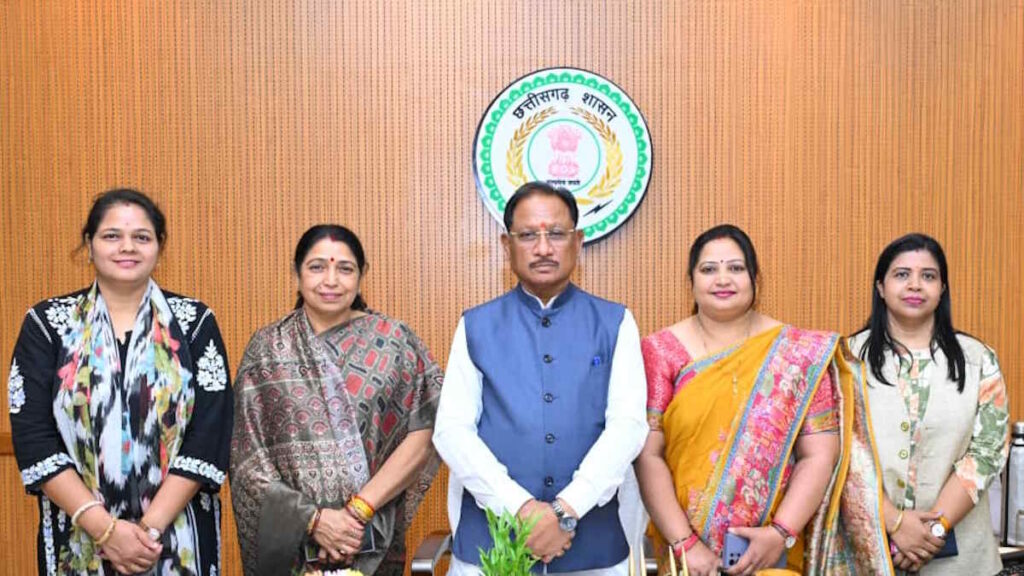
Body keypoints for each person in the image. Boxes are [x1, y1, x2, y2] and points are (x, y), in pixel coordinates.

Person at [634, 224, 893, 576]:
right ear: (691, 281)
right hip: (686, 557)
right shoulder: (661, 350)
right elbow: (648, 455)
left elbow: (820, 454)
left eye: (736, 268)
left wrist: (780, 533)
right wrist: (685, 544)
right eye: (708, 269)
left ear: (755, 279)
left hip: (774, 553)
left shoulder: (798, 353)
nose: (722, 279)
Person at [7, 188, 233, 575]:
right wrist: (105, 531)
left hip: (177, 538)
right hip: (78, 535)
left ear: (159, 246)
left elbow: (208, 435)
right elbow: (34, 437)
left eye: (141, 237)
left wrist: (146, 532)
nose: (127, 247)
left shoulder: (194, 323)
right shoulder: (47, 325)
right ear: (89, 244)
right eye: (112, 235)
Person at [432, 181, 649, 575]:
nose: (544, 248)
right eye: (529, 235)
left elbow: (628, 427)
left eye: (557, 234)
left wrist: (566, 509)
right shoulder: (475, 326)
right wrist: (521, 509)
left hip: (594, 551)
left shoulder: (615, 322)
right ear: (507, 245)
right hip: (491, 546)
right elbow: (452, 431)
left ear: (578, 242)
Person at [230, 224, 443, 575]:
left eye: (345, 269)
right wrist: (313, 521)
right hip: (293, 549)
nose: (331, 281)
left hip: (370, 535)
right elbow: (246, 459)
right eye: (317, 267)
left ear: (362, 275)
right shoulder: (267, 349)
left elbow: (426, 431)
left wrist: (358, 512)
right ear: (297, 273)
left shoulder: (394, 342)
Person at [849, 233, 1009, 575]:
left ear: (942, 288)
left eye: (928, 276)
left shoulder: (978, 359)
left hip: (962, 560)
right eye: (901, 274)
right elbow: (838, 454)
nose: (915, 285)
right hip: (865, 553)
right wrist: (894, 523)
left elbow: (987, 453)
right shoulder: (846, 359)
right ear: (880, 287)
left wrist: (933, 531)